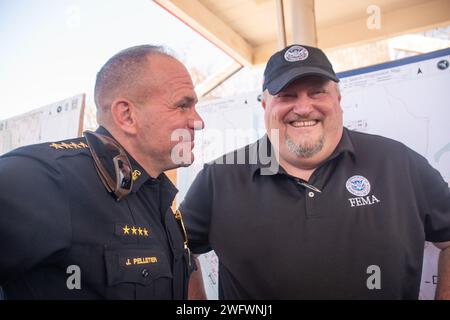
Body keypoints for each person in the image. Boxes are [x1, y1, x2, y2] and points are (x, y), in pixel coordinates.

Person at [180, 44, 450, 299]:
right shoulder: (219, 179)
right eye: (287, 95)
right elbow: (178, 250)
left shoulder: (399, 163)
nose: (303, 107)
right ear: (265, 105)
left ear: (338, 99)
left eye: (317, 92)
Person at [0, 45, 204, 299]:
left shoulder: (157, 193)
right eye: (183, 106)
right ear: (127, 115)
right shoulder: (46, 178)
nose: (198, 121)